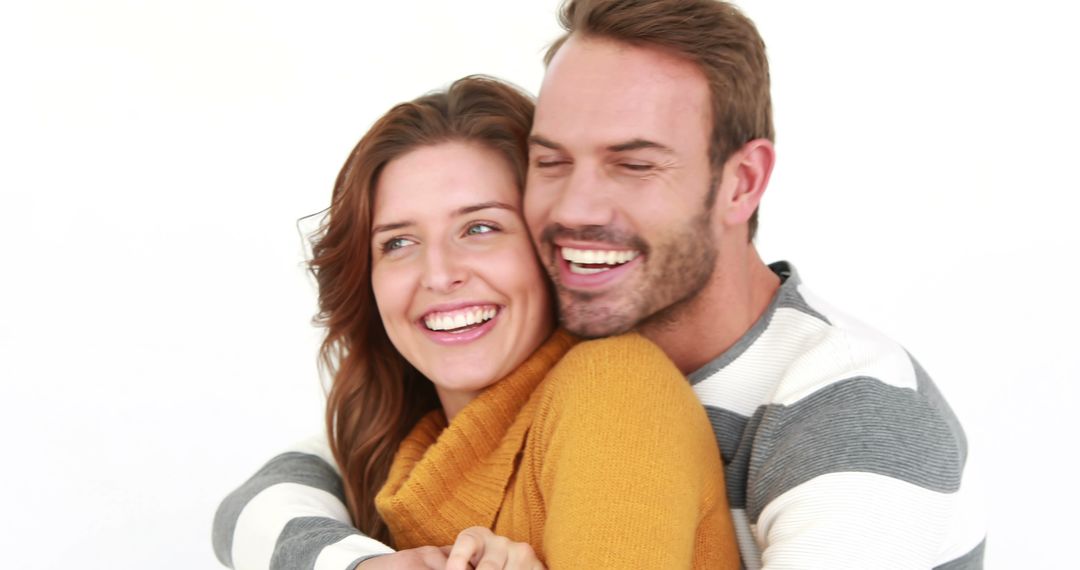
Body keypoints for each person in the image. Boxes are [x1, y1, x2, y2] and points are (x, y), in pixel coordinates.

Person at [214, 0, 986, 568]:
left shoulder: (850, 411)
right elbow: (272, 496)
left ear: (740, 182)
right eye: (551, 161)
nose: (575, 210)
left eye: (634, 163)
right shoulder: (549, 359)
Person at [213, 75, 740, 570]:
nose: (439, 274)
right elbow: (246, 511)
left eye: (480, 227)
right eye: (398, 242)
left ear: (552, 248)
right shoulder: (410, 446)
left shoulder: (615, 387)